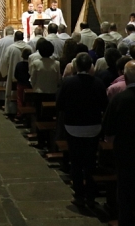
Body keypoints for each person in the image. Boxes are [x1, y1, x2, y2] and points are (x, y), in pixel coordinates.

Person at [57, 52, 108, 208]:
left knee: (76, 162)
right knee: (91, 162)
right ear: (90, 66)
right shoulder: (98, 83)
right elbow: (104, 105)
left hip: (73, 127)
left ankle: (79, 195)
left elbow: (60, 105)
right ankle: (91, 195)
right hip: (93, 127)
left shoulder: (68, 83)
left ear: (76, 66)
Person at [103, 60, 135, 225]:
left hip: (125, 152)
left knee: (125, 191)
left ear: (126, 79)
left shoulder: (119, 99)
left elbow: (109, 128)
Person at [0, 31, 32, 114]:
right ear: (23, 38)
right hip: (27, 77)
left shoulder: (11, 48)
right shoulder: (29, 47)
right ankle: (28, 112)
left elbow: (4, 61)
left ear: (15, 38)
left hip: (13, 75)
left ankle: (12, 110)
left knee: (16, 95)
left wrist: (4, 73)